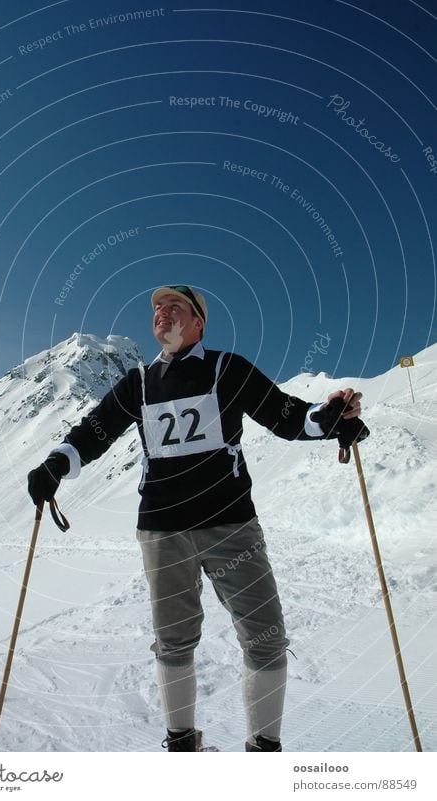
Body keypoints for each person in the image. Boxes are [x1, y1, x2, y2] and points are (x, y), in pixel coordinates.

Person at [28, 285, 368, 752]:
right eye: (157, 308)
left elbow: (286, 416)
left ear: (198, 324)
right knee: (173, 641)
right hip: (162, 531)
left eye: (175, 307)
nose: (162, 312)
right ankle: (181, 745)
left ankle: (263, 752)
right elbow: (95, 431)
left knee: (266, 638)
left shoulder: (227, 368)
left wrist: (331, 418)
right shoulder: (139, 383)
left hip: (231, 525)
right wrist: (56, 465)